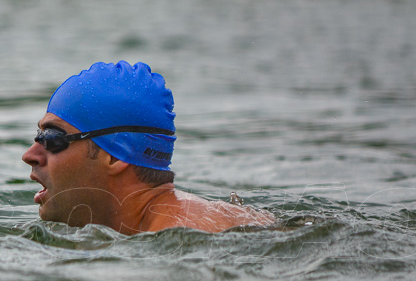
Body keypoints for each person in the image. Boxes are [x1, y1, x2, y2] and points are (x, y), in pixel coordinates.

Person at [22, 61, 273, 234]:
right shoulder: (188, 223)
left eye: (53, 138)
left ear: (115, 154)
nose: (30, 155)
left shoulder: (187, 241)